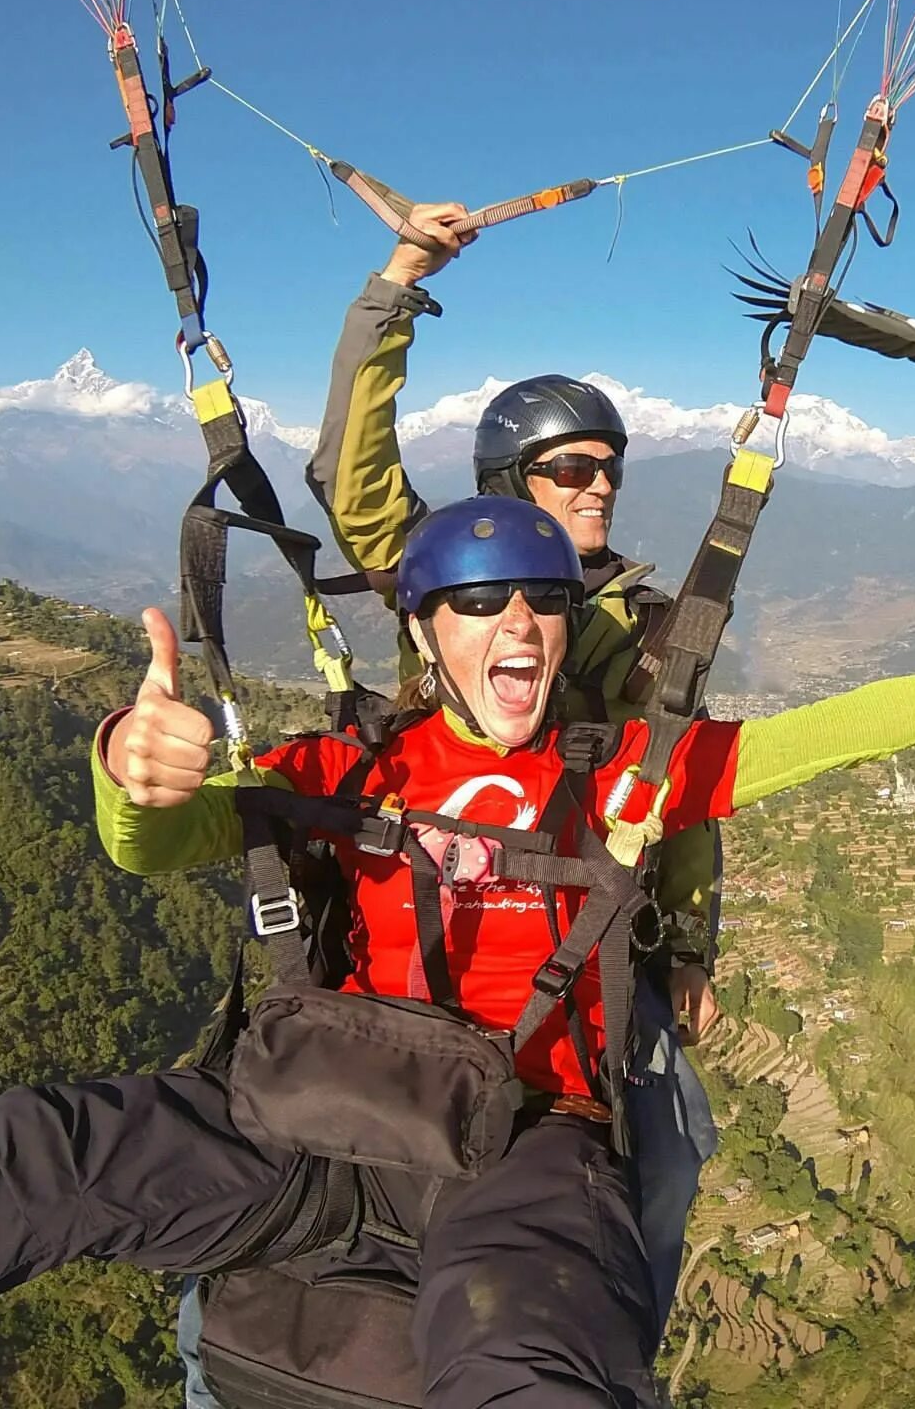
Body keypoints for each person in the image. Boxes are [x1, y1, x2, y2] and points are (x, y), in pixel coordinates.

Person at [0, 499, 915, 1409]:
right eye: (478, 603)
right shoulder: (345, 759)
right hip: (293, 1129)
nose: (517, 624)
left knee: (526, 1357)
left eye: (541, 600)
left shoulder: (623, 775)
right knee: (35, 1156)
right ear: (428, 629)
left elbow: (806, 740)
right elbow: (160, 842)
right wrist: (129, 764)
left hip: (521, 1153)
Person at [300, 206, 721, 1330]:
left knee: (672, 1154)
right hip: (435, 904)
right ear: (507, 479)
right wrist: (397, 282)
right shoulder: (448, 573)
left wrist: (684, 943)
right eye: (571, 467)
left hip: (582, 936)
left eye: (611, 468)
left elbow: (677, 787)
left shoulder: (636, 622)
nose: (600, 486)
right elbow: (350, 474)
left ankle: (606, 1341)